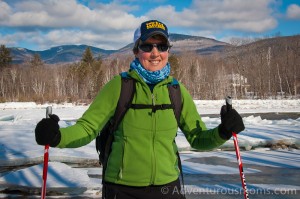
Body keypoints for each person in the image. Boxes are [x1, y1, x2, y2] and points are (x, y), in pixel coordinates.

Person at [35, 19, 245, 199]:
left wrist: (223, 131)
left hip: (168, 187)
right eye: (147, 46)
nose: (155, 53)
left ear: (168, 51)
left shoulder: (176, 91)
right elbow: (87, 128)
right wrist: (57, 137)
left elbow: (198, 138)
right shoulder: (119, 86)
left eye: (161, 47)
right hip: (122, 188)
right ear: (136, 50)